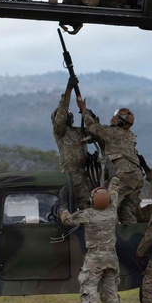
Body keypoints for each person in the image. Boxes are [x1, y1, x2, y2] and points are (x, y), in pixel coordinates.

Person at [59, 177, 122, 303]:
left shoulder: (87, 214)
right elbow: (114, 193)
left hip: (94, 258)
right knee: (111, 289)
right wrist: (113, 180)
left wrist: (62, 206)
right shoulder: (112, 211)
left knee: (89, 289)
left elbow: (66, 219)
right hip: (111, 257)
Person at [76, 96, 143, 224]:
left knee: (106, 206)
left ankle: (107, 239)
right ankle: (131, 241)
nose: (113, 117)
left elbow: (93, 127)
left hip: (124, 174)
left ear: (120, 122)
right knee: (126, 211)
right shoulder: (129, 135)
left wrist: (83, 109)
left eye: (116, 116)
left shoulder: (113, 133)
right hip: (136, 176)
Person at [52, 76, 93, 209]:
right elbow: (62, 113)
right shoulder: (60, 132)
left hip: (85, 175)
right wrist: (69, 89)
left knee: (88, 206)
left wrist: (86, 112)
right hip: (70, 176)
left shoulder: (79, 131)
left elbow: (96, 132)